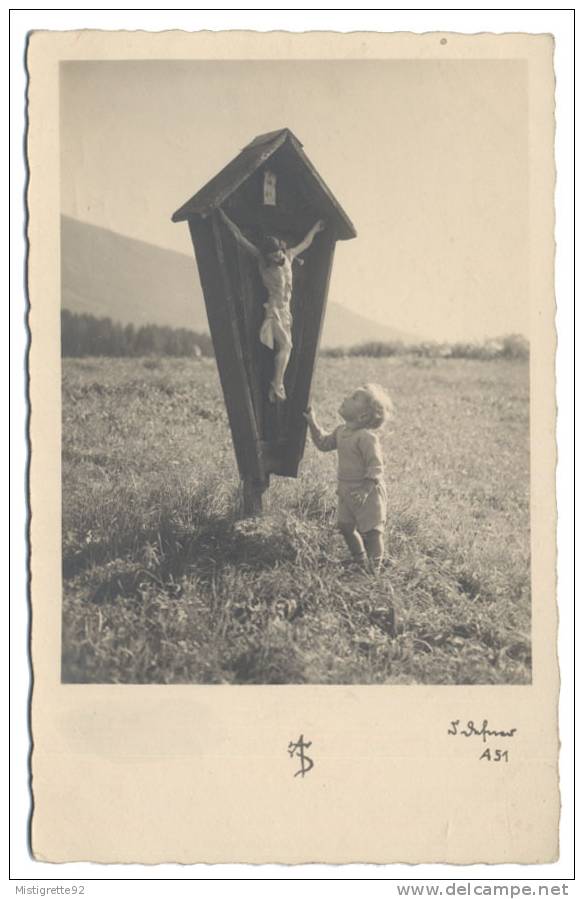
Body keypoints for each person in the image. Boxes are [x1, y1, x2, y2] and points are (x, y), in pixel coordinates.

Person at [218, 208, 325, 402]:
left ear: (281, 250)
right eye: (273, 257)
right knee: (286, 345)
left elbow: (306, 243)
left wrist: (315, 229)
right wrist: (225, 219)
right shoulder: (262, 261)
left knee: (285, 348)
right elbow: (240, 238)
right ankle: (276, 385)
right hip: (274, 310)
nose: (277, 259)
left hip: (286, 312)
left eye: (278, 254)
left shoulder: (290, 256)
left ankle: (276, 386)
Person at [303, 384, 393, 572]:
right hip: (346, 491)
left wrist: (366, 489)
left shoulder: (367, 438)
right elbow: (323, 443)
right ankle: (359, 560)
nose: (346, 398)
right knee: (345, 526)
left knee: (373, 532)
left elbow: (376, 467)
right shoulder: (341, 431)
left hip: (368, 493)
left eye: (353, 398)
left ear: (362, 416)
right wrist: (312, 422)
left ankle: (374, 568)